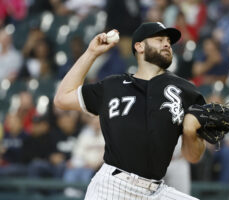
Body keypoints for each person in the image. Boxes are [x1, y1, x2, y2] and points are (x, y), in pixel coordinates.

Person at [54, 22, 206, 199]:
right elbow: (62, 98)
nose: (166, 44)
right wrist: (91, 53)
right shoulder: (113, 86)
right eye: (159, 39)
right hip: (112, 186)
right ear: (139, 46)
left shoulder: (186, 91)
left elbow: (193, 157)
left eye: (168, 41)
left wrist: (190, 132)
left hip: (156, 190)